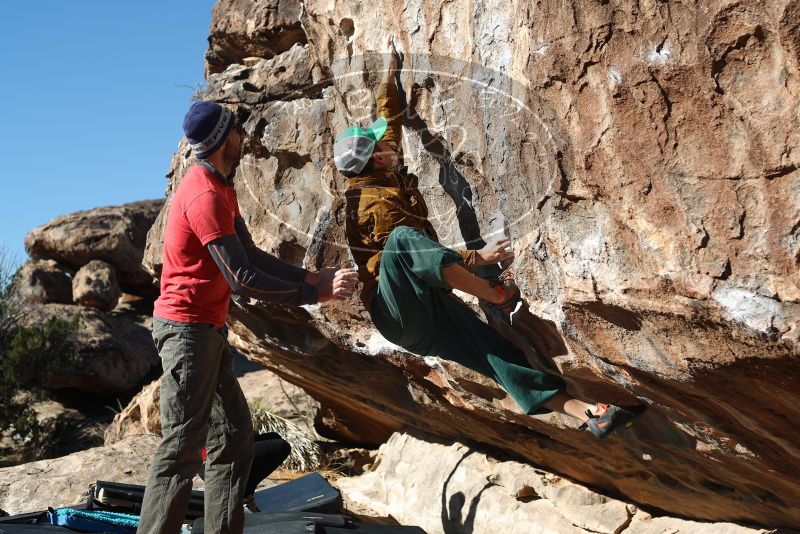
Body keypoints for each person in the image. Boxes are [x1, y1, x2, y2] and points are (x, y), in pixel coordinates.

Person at [336, 37, 637, 439]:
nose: (391, 145)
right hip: (396, 309)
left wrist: (391, 70)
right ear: (376, 158)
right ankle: (493, 292)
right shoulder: (374, 200)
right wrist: (478, 260)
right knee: (403, 241)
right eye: (382, 146)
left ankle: (590, 415)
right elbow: (409, 252)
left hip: (424, 311)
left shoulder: (381, 163)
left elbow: (386, 117)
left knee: (494, 353)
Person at [137, 101, 358, 534]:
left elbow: (251, 254)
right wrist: (314, 293)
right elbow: (241, 278)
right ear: (224, 139)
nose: (244, 136)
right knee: (181, 448)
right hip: (186, 332)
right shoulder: (203, 194)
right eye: (238, 129)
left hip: (206, 330)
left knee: (234, 437)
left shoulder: (221, 187)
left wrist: (310, 275)